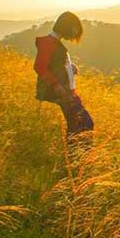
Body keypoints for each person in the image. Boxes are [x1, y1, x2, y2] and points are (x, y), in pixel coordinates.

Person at [34, 11, 94, 146]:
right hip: (62, 92)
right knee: (84, 123)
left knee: (78, 124)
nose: (74, 34)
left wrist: (69, 68)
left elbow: (52, 63)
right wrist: (57, 85)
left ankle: (76, 157)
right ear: (67, 27)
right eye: (74, 30)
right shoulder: (49, 43)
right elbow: (39, 66)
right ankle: (78, 158)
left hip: (65, 91)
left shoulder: (54, 43)